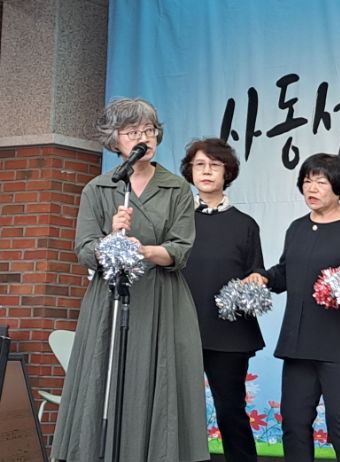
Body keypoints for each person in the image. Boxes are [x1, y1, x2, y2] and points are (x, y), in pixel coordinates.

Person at [52, 97, 208, 461]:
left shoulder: (176, 188)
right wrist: (110, 238)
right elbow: (84, 249)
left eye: (149, 130)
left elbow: (181, 249)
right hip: (110, 299)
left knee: (158, 379)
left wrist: (144, 249)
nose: (143, 138)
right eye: (132, 131)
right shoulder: (99, 188)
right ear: (115, 140)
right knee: (106, 379)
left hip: (161, 298)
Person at [243, 153, 340, 462]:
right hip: (299, 344)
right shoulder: (297, 228)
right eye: (307, 181)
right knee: (294, 422)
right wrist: (263, 277)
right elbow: (286, 273)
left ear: (338, 186)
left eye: (321, 182)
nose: (312, 188)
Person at [180, 138, 264, 462]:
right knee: (176, 410)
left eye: (215, 165)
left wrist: (255, 280)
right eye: (200, 165)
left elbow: (256, 271)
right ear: (190, 171)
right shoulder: (176, 220)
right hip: (180, 328)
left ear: (227, 172)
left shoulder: (245, 225)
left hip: (229, 334)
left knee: (230, 410)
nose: (206, 171)